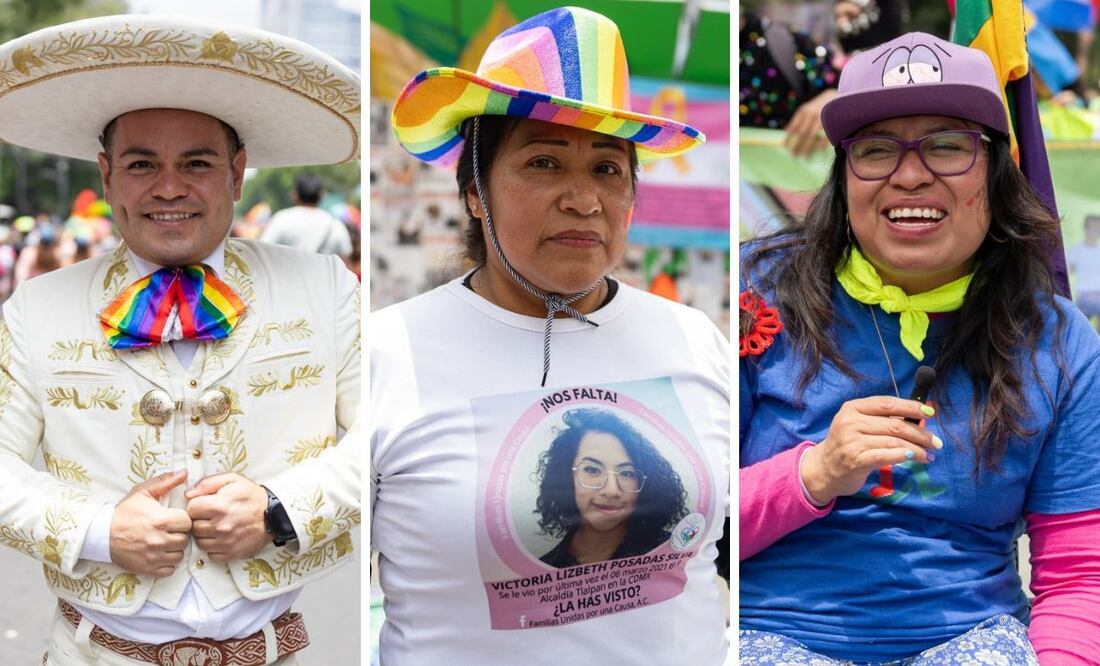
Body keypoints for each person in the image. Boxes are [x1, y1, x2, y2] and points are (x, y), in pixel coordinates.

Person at [0, 14, 361, 665]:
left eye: (196, 163)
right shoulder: (36, 307)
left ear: (237, 172)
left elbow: (389, 439)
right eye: (143, 165)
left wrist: (281, 511)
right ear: (107, 177)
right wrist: (100, 531)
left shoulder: (324, 286)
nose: (169, 187)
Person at [372, 6, 729, 664]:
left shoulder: (692, 338)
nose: (583, 199)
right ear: (475, 191)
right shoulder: (383, 354)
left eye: (608, 169)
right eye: (543, 163)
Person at [739, 32, 1100, 664]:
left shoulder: (1059, 339)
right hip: (770, 636)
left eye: (946, 146)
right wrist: (814, 473)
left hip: (974, 643)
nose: (910, 175)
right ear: (843, 176)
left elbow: (1079, 577)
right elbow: (679, 530)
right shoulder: (755, 293)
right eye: (876, 150)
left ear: (996, 169)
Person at [534, 408, 688, 568]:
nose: (612, 491)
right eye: (592, 470)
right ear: (566, 476)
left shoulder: (671, 550)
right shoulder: (543, 567)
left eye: (627, 473)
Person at [260, 173, 353, 259]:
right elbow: (346, 261)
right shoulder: (335, 224)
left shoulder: (281, 219)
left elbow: (262, 252)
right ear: (322, 196)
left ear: (295, 195)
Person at [1067, 214, 1100, 332]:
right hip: (1083, 296)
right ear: (1086, 228)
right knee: (1076, 328)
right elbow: (1067, 271)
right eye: (1092, 227)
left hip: (1098, 294)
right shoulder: (1076, 249)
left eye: (1097, 228)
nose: (1094, 231)